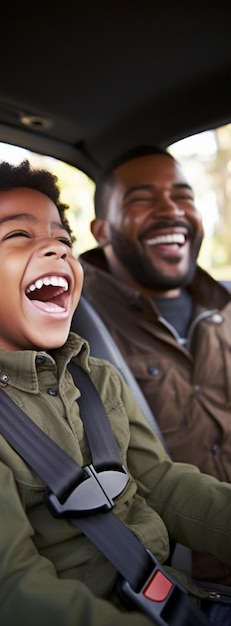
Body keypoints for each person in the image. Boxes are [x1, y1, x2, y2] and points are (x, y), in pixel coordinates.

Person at [0, 157, 231, 626]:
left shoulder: (99, 378)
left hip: (187, 597)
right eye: (19, 236)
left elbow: (165, 485)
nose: (56, 250)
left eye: (63, 240)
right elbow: (9, 589)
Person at [79, 145, 231, 586]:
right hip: (183, 580)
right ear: (102, 231)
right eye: (142, 199)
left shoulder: (223, 305)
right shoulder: (70, 324)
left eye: (183, 195)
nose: (171, 210)